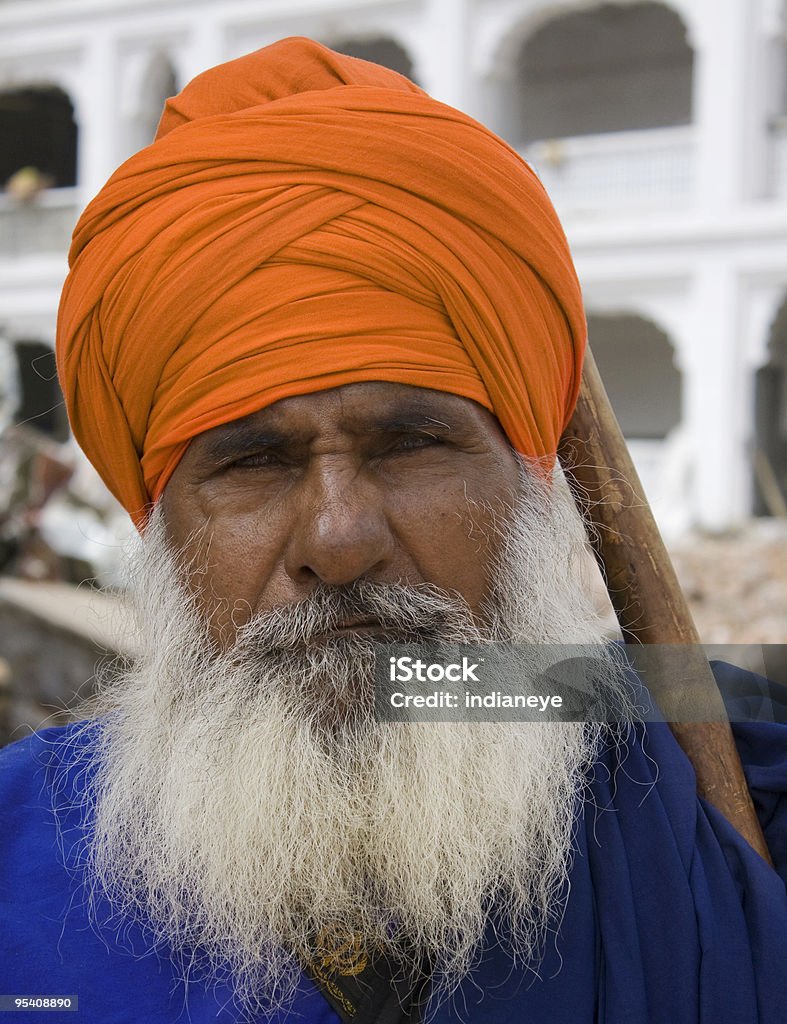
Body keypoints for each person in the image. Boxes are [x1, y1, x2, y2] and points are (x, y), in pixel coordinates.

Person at [1, 37, 786, 1024]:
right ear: (157, 524)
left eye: (410, 442)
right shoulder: (13, 865)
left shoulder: (720, 770)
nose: (338, 539)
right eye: (252, 463)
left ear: (531, 482)